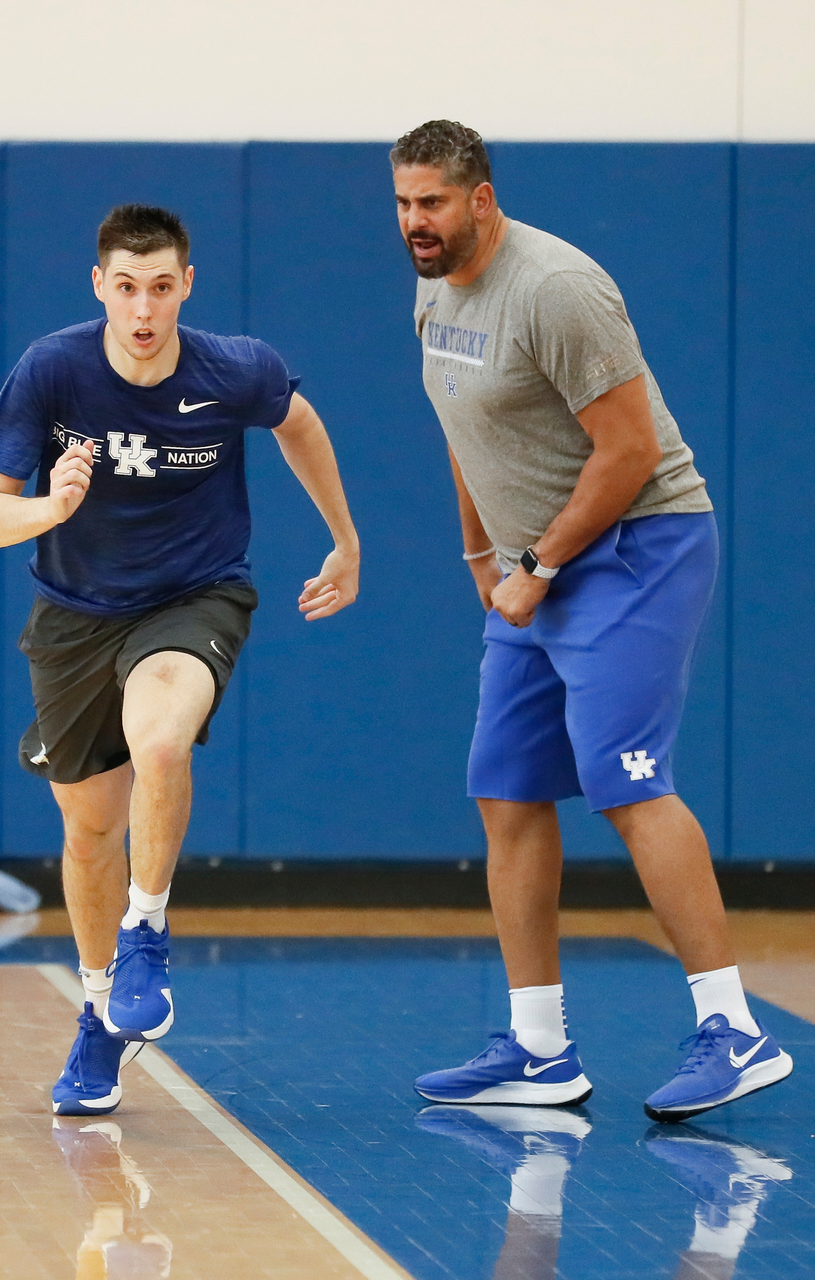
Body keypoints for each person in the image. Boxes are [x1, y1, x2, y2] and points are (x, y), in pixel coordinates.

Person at [390, 121, 791, 1123]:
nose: (414, 222)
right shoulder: (432, 290)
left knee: (626, 780)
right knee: (505, 789)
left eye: (432, 202)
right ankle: (538, 1048)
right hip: (532, 564)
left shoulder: (556, 288)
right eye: (402, 203)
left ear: (481, 198)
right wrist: (482, 556)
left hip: (635, 548)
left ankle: (735, 1030)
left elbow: (629, 451)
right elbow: (463, 427)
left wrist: (538, 565)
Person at [0, 204, 360, 1117]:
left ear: (186, 286)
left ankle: (147, 929)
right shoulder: (51, 370)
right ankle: (100, 1012)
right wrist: (49, 509)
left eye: (160, 288)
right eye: (126, 288)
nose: (143, 310)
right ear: (99, 287)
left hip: (194, 596)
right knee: (89, 831)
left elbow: (299, 423)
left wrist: (343, 541)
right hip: (74, 615)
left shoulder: (234, 369)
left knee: (161, 740)